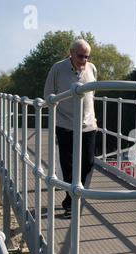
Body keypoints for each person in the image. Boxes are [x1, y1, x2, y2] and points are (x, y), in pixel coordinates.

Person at [44, 39, 97, 219]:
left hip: (88, 125)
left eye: (87, 56)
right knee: (68, 166)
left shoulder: (91, 69)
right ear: (71, 52)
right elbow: (49, 96)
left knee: (88, 162)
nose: (84, 60)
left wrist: (95, 120)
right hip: (65, 123)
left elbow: (92, 96)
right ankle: (71, 202)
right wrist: (54, 122)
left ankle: (75, 195)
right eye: (81, 56)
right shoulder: (57, 69)